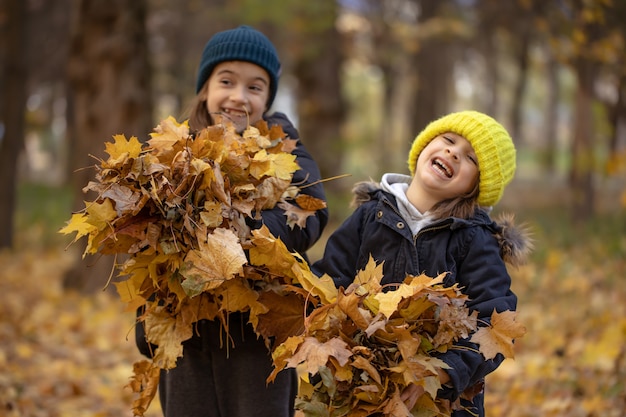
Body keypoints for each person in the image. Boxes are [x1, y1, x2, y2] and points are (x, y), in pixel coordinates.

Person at [135, 25, 329, 417]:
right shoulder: (172, 154)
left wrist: (239, 233)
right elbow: (145, 243)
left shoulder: (284, 147)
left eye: (255, 87)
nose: (239, 97)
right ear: (205, 88)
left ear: (268, 98)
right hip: (188, 332)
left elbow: (311, 211)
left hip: (256, 334)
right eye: (227, 81)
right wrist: (150, 322)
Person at [311, 110, 531, 417]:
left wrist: (441, 373)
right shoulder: (370, 216)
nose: (453, 152)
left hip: (438, 402)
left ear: (477, 186)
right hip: (364, 384)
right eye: (448, 140)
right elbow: (329, 280)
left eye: (471, 158)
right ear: (424, 147)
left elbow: (495, 325)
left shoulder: (473, 239)